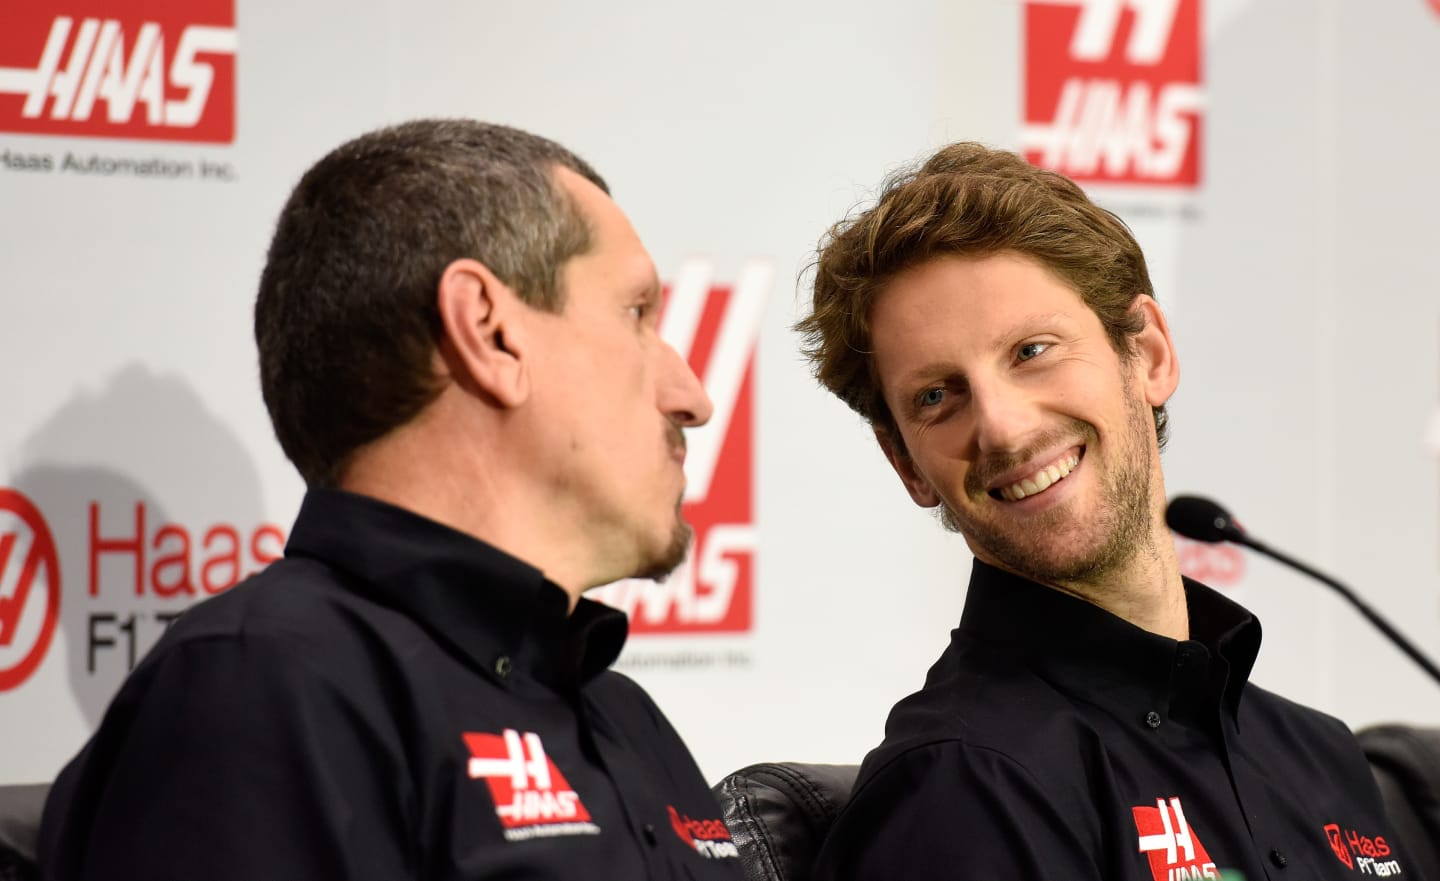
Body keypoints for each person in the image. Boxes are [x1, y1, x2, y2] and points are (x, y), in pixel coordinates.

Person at [38, 119, 744, 881]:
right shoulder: (262, 688)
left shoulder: (627, 718)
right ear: (489, 332)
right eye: (636, 314)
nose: (694, 396)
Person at [799, 143, 1419, 880]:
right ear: (906, 463)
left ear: (1148, 354)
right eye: (937, 396)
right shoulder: (962, 784)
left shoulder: (1322, 756)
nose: (1002, 426)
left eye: (1031, 350)